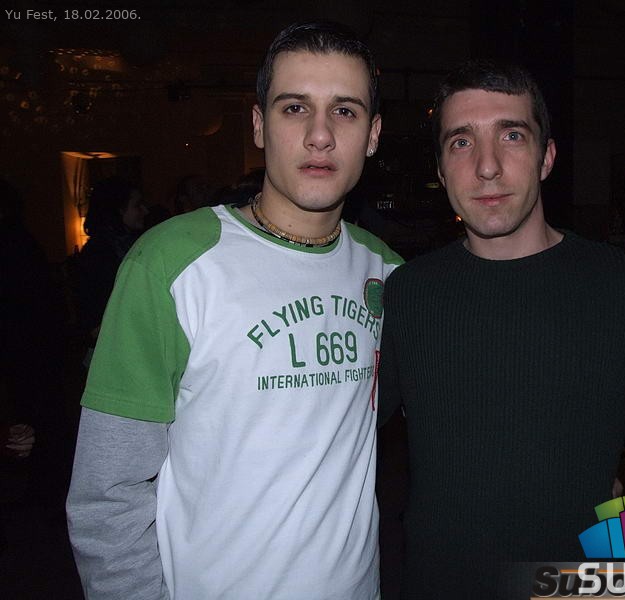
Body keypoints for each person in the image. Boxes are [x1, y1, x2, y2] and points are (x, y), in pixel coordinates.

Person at [67, 21, 401, 600]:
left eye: (344, 111)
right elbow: (108, 492)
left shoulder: (389, 273)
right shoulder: (170, 262)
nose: (320, 135)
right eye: (294, 108)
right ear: (258, 124)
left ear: (372, 134)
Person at [377, 60, 625, 598]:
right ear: (441, 169)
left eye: (511, 135)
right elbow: (340, 438)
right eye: (461, 142)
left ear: (547, 157)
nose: (487, 166)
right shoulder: (409, 292)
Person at [75, 176, 148, 358]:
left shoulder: (130, 245)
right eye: (137, 205)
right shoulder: (99, 254)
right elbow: (94, 319)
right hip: (114, 349)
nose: (145, 211)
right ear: (117, 209)